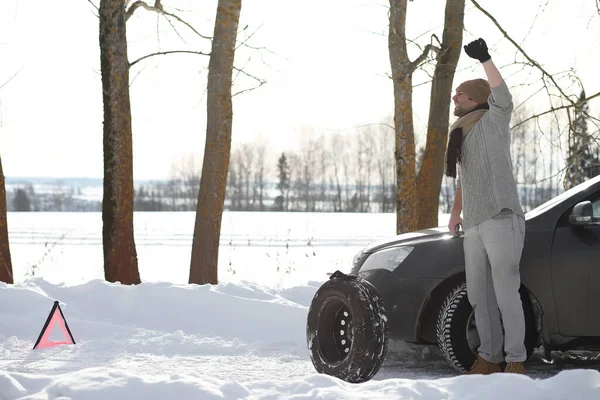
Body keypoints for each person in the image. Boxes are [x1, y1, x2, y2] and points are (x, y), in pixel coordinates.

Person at [445, 38, 527, 375]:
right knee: (480, 296)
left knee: (506, 293)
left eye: (460, 94)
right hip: (475, 225)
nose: (455, 98)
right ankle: (490, 357)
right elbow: (464, 179)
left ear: (476, 98)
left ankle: (516, 360)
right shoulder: (460, 135)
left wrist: (486, 60)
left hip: (501, 218)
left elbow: (503, 97)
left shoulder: (493, 122)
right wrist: (455, 213)